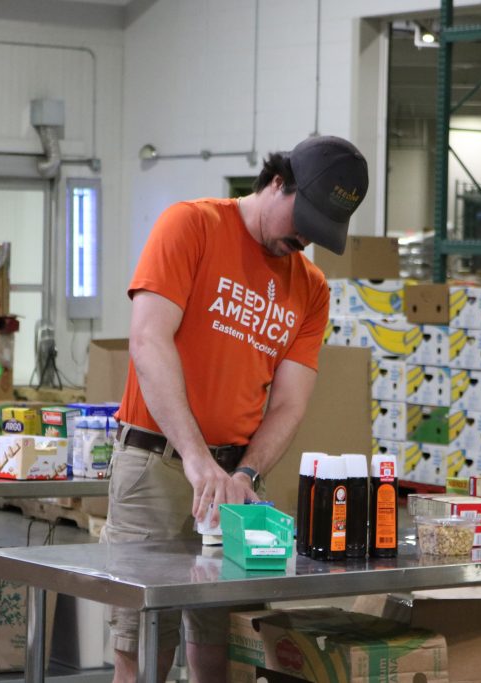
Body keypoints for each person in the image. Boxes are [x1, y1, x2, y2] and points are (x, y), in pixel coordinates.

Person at [103, 135, 368, 682]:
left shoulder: (311, 288)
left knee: (225, 646)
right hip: (157, 464)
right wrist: (199, 461)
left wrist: (245, 472)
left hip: (237, 482)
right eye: (303, 221)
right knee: (143, 646)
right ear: (277, 182)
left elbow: (290, 403)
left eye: (318, 234)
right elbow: (149, 342)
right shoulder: (191, 226)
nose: (303, 240)